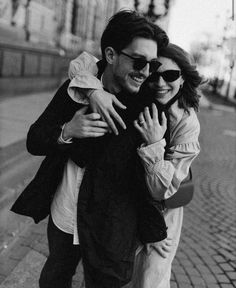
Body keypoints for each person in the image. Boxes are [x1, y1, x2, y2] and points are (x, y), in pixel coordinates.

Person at [11, 10, 169, 288]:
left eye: (151, 64)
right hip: (65, 215)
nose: (145, 72)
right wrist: (67, 131)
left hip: (112, 226)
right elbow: (34, 140)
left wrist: (155, 145)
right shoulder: (76, 90)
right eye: (138, 61)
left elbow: (157, 184)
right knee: (54, 279)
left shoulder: (149, 109)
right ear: (110, 55)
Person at [66, 43, 202, 287]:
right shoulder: (138, 91)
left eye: (170, 76)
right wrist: (94, 92)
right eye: (155, 73)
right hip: (127, 198)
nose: (160, 83)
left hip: (161, 209)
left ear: (183, 79)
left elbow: (164, 189)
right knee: (108, 267)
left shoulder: (186, 122)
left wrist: (154, 143)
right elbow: (81, 64)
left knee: (150, 276)